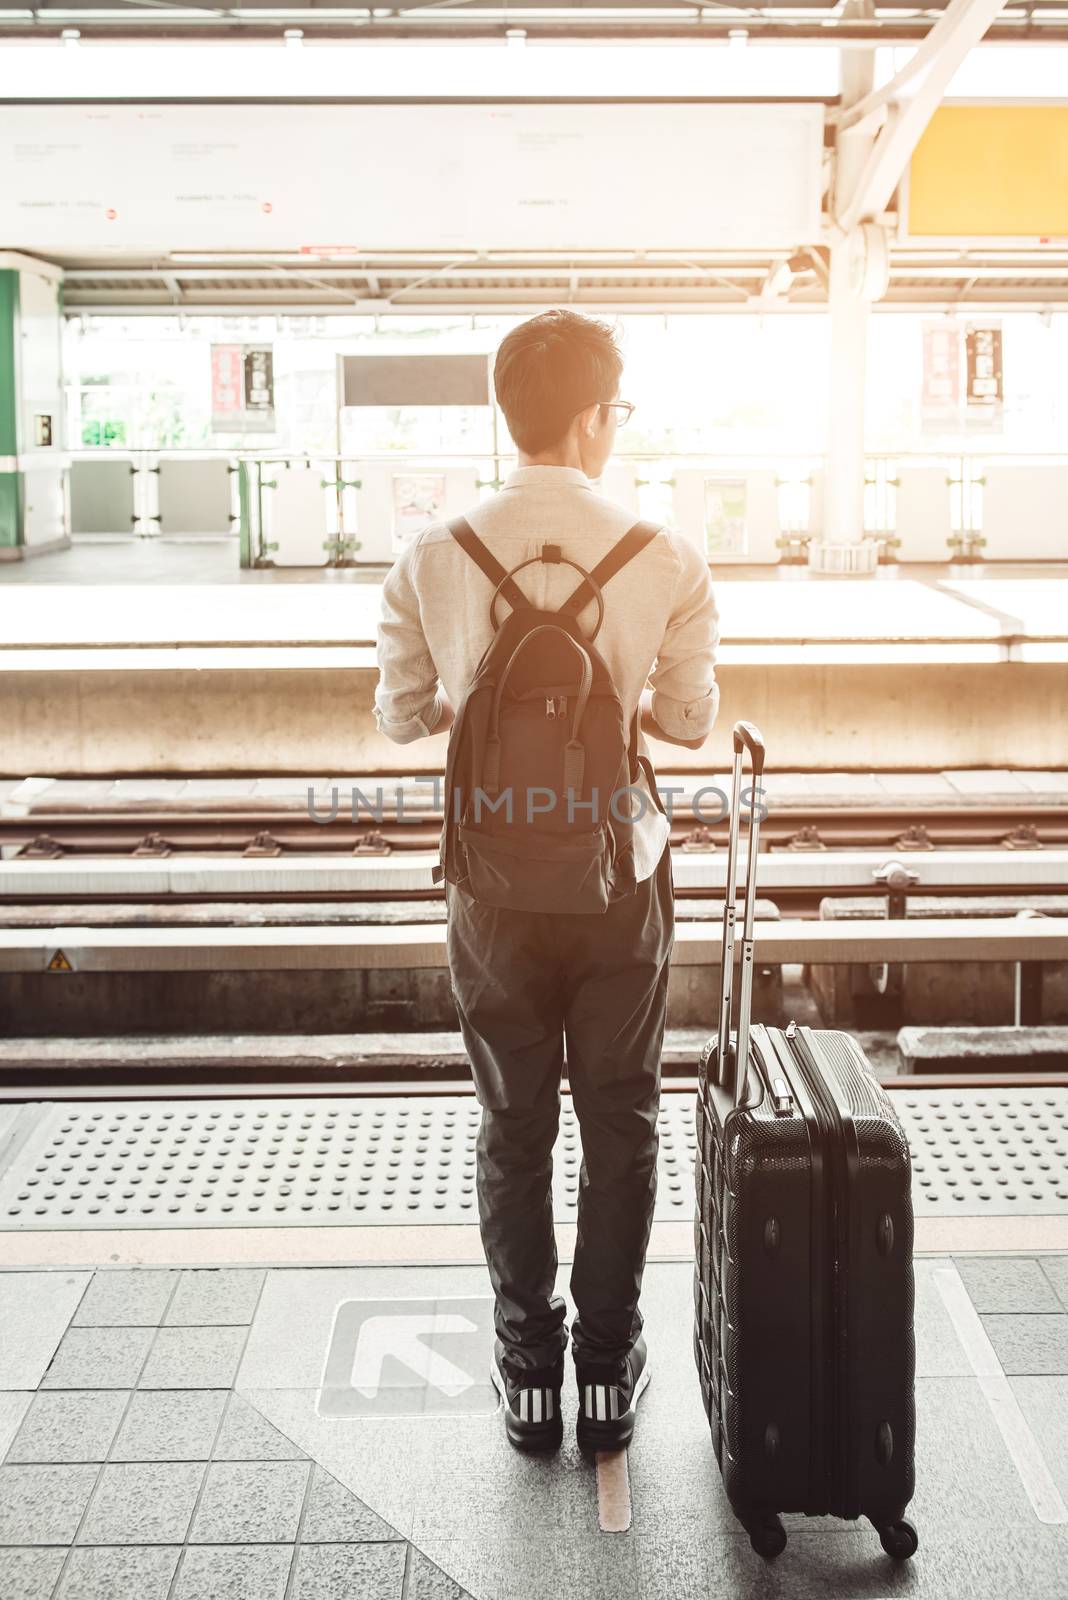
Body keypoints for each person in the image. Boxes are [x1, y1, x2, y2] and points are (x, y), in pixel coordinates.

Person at [374, 308, 720, 1455]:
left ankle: (528, 1368)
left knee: (514, 1124)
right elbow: (684, 718)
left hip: (491, 886)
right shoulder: (664, 553)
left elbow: (401, 717)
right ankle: (608, 1369)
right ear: (589, 418)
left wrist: (469, 696)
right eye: (613, 411)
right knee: (620, 1121)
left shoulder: (434, 551)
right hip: (618, 879)